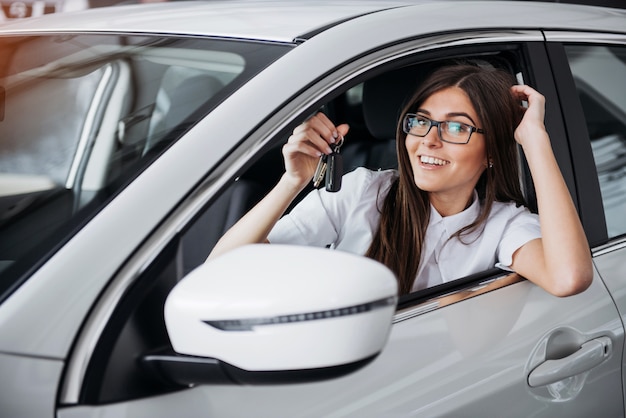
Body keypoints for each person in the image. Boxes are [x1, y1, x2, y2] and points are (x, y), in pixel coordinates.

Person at [208, 64, 593, 297]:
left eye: (456, 126)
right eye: (421, 120)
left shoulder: (503, 225)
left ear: (492, 151)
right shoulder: (362, 193)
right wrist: (292, 181)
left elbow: (569, 277)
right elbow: (222, 270)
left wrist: (534, 141)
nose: (429, 138)